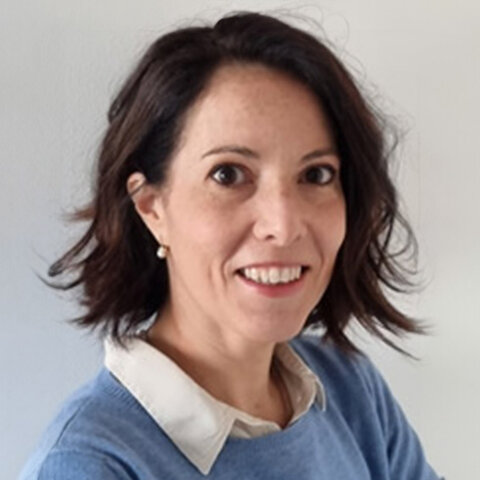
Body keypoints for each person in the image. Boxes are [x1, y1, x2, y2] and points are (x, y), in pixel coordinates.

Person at [19, 11, 443, 479]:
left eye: (316, 174)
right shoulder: (89, 465)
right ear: (151, 207)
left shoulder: (350, 389)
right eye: (228, 175)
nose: (283, 226)